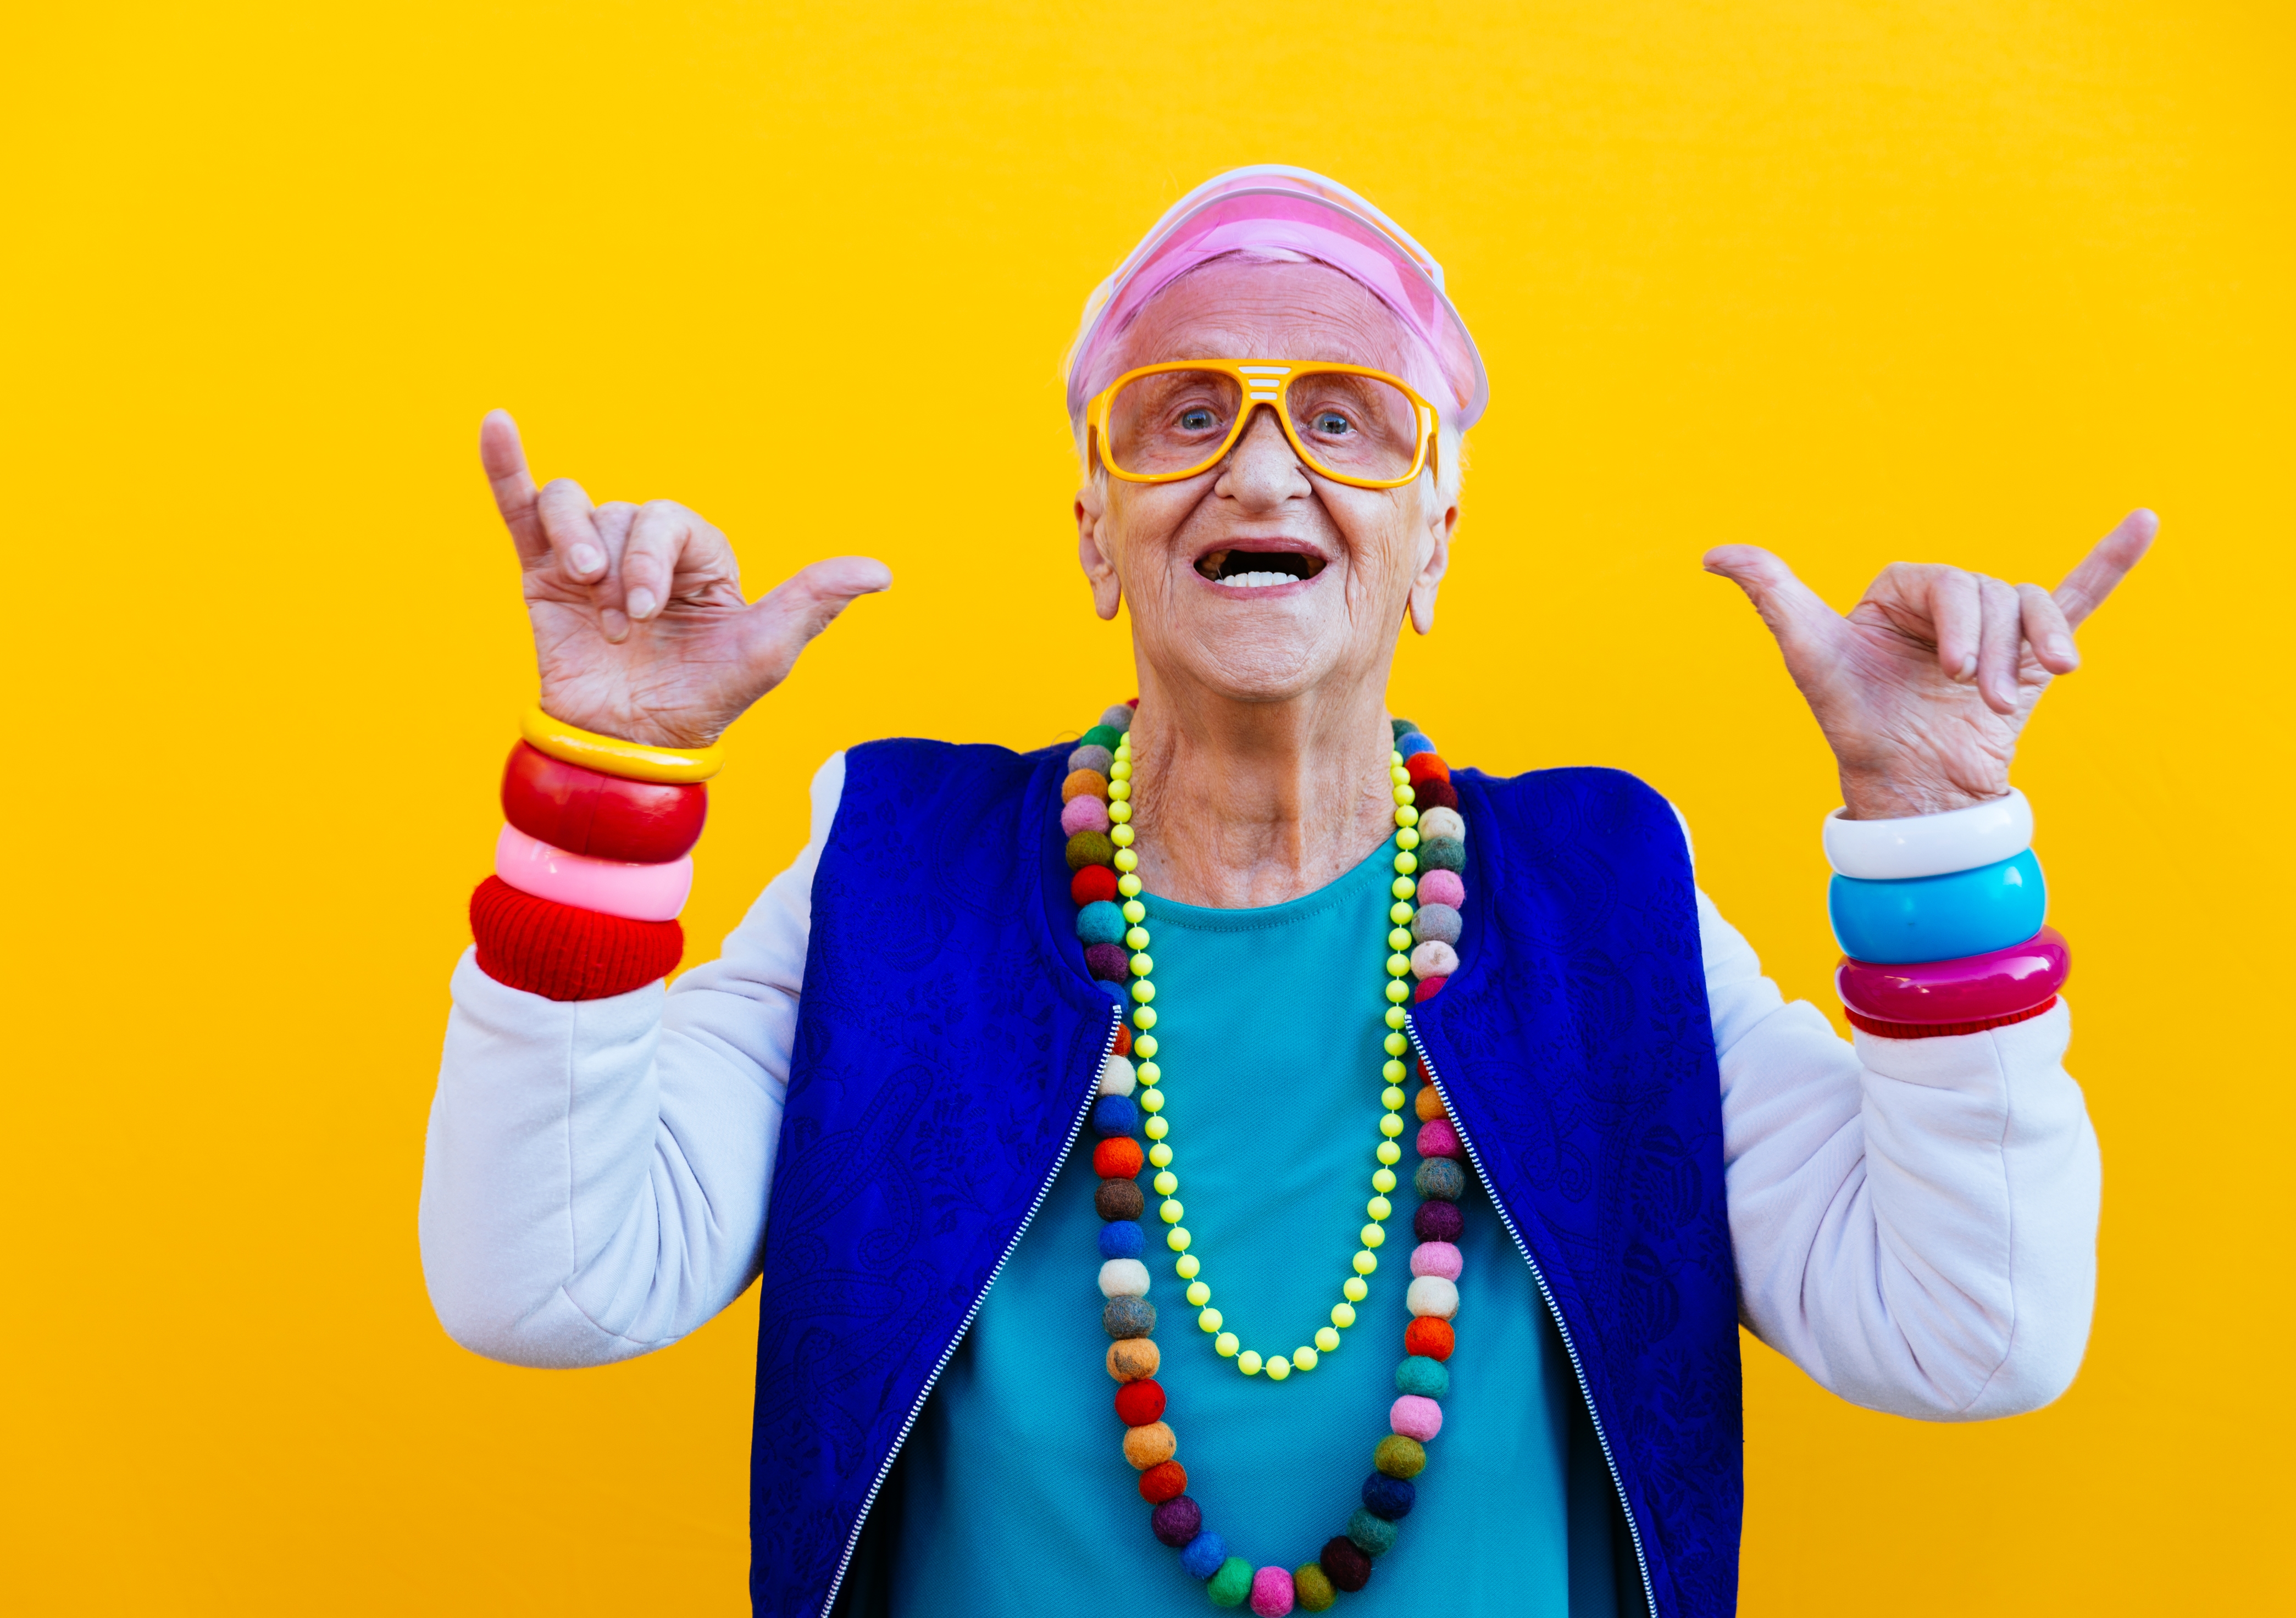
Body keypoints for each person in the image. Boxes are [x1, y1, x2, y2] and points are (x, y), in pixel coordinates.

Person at [419, 166, 2149, 1618]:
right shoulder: (892, 870)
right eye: (1184, 416)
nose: (1259, 471)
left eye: (1343, 419)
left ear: (1435, 543)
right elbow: (551, 1281)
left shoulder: (1599, 897)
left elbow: (1965, 1336)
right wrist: (606, 770)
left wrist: (1934, 823)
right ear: (1095, 532)